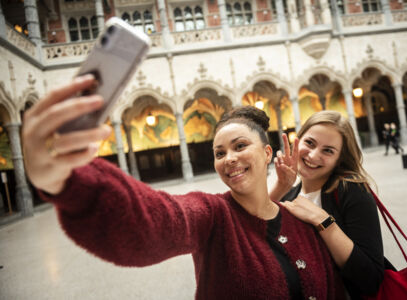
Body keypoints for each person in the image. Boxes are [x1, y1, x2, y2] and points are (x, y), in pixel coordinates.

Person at [22, 75, 346, 300]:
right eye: (219, 153)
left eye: (239, 146)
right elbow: (155, 222)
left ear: (265, 153)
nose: (229, 159)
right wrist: (66, 178)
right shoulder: (212, 214)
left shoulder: (301, 221)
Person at [269, 111, 387, 300]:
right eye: (310, 143)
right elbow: (252, 234)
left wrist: (323, 221)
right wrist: (280, 187)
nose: (313, 155)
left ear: (339, 159)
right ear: (297, 141)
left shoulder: (352, 190)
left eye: (328, 151)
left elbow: (370, 279)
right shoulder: (289, 195)